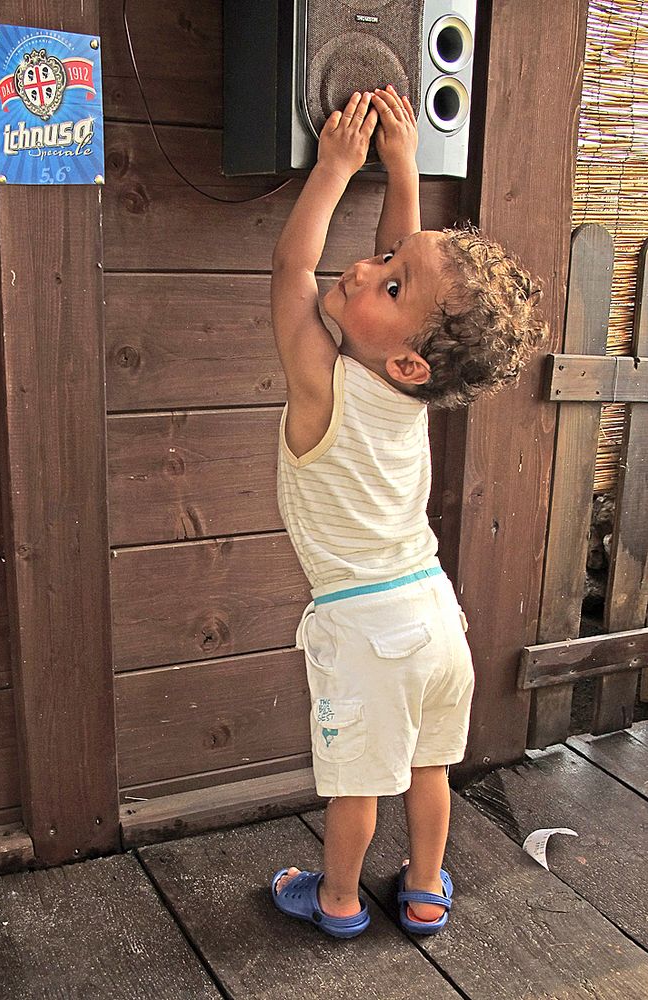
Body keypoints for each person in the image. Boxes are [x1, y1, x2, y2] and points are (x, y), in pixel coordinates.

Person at [270, 86, 547, 938]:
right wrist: (401, 164)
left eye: (386, 285)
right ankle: (426, 889)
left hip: (366, 627)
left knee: (358, 780)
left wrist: (333, 170)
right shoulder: (410, 386)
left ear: (409, 360)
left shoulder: (322, 381)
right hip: (435, 615)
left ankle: (341, 899)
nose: (361, 268)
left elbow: (291, 272)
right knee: (429, 765)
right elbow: (404, 263)